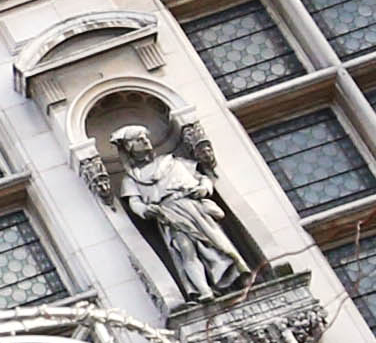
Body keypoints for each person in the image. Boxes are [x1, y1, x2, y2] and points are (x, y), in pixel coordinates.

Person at [106, 118, 265, 303]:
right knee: (185, 250)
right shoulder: (132, 179)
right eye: (138, 139)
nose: (145, 140)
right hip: (168, 215)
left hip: (193, 208)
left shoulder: (172, 162)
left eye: (145, 137)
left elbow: (202, 177)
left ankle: (238, 276)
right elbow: (134, 202)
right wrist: (146, 210)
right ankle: (203, 290)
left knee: (217, 243)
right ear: (129, 148)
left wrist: (204, 188)